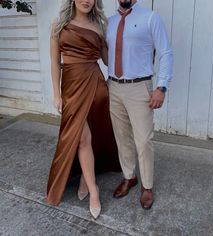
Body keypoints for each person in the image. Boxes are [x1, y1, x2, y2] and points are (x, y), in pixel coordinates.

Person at [46, 0, 120, 219]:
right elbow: (54, 62)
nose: (87, 0)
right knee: (80, 138)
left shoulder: (99, 26)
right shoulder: (59, 24)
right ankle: (93, 188)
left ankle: (86, 181)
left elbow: (108, 60)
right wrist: (57, 94)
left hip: (95, 84)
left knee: (89, 135)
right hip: (71, 87)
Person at [106, 0, 173, 209]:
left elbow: (165, 53)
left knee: (143, 140)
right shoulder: (109, 22)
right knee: (121, 136)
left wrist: (161, 87)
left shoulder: (151, 18)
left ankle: (147, 186)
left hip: (139, 87)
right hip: (114, 86)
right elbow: (105, 54)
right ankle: (129, 177)